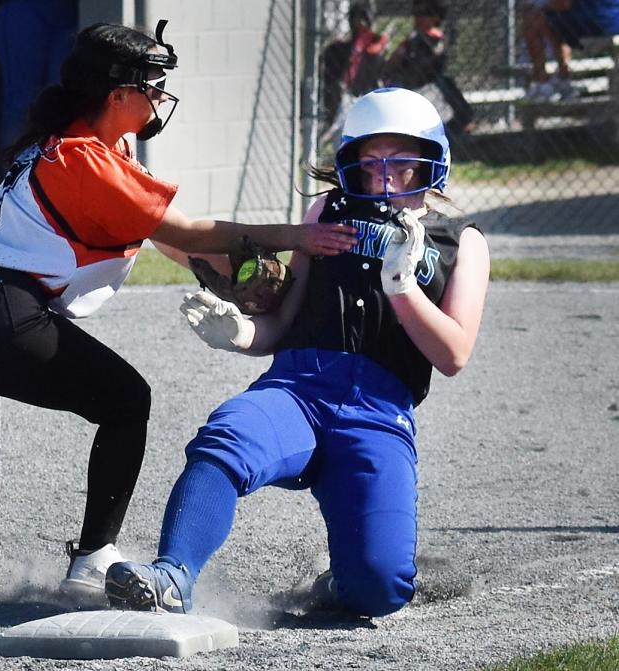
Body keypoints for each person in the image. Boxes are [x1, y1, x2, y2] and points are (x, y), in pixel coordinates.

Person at [0, 20, 360, 613]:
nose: (160, 95)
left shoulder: (73, 147)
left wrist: (229, 273)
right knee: (127, 400)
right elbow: (183, 230)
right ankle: (94, 557)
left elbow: (171, 244)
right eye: (151, 84)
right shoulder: (84, 160)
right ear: (115, 95)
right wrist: (303, 235)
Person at [105, 87, 490, 619]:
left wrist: (403, 286)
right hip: (298, 387)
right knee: (226, 438)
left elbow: (453, 354)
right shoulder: (328, 210)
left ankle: (339, 583)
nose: (384, 176)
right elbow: (283, 325)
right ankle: (171, 576)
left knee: (380, 588)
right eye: (370, 162)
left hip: (377, 413)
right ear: (348, 165)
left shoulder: (461, 240)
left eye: (401, 162)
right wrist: (243, 334)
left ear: (433, 163)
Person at [382, 0, 474, 139]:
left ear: (435, 18)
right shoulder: (412, 40)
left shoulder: (434, 38)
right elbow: (389, 67)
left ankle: (442, 139)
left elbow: (431, 62)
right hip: (410, 89)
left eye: (424, 14)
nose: (418, 18)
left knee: (463, 113)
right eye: (416, 13)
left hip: (432, 88)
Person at [0, 0, 78, 150]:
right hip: (24, 9)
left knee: (63, 103)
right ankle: (15, 171)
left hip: (68, 11)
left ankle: (56, 169)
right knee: (21, 103)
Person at [320, 2, 389, 149]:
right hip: (343, 100)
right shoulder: (337, 49)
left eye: (364, 19)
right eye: (356, 19)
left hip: (367, 99)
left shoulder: (376, 48)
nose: (360, 24)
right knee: (341, 138)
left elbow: (377, 74)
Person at [521, 0, 619, 101]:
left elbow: (563, 4)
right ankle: (563, 78)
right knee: (554, 20)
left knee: (533, 18)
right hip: (615, 20)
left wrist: (537, 8)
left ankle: (543, 83)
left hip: (596, 22)